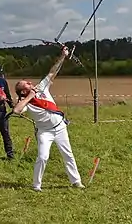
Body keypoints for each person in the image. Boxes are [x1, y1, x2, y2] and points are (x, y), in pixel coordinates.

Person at [14, 46, 85, 192]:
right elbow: (16, 110)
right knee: (43, 157)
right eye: (26, 83)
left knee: (68, 154)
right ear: (23, 91)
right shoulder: (26, 102)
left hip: (60, 128)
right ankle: (36, 185)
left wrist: (63, 56)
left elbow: (53, 72)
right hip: (45, 132)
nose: (29, 82)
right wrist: (29, 97)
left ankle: (76, 181)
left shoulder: (41, 87)